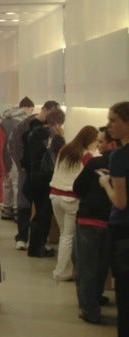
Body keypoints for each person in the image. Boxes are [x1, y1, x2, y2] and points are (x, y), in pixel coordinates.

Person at [89, 101, 129, 337]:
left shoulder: (119, 157)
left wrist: (105, 184)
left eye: (114, 119)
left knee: (124, 302)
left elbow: (121, 201)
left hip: (123, 232)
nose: (109, 124)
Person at [73, 126, 116, 324]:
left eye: (101, 142)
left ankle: (89, 308)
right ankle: (95, 300)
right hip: (112, 222)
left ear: (112, 143)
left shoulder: (96, 163)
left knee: (85, 266)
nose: (98, 146)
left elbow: (78, 187)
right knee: (101, 266)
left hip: (89, 219)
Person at [49, 125, 99, 281]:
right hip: (72, 198)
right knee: (68, 237)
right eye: (96, 141)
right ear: (89, 140)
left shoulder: (65, 149)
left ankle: (63, 270)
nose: (96, 145)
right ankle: (62, 272)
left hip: (55, 195)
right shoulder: (87, 156)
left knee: (65, 235)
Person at [25, 107, 66, 258]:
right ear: (58, 122)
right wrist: (61, 137)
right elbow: (61, 156)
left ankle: (35, 246)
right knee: (45, 213)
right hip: (47, 177)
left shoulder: (33, 134)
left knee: (39, 212)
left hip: (34, 175)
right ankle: (38, 248)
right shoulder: (56, 137)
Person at [1, 97, 35, 220]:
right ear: (27, 108)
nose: (31, 112)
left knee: (7, 183)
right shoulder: (24, 121)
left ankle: (6, 209)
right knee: (17, 184)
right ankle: (17, 211)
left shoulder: (5, 119)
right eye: (32, 109)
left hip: (5, 154)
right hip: (17, 155)